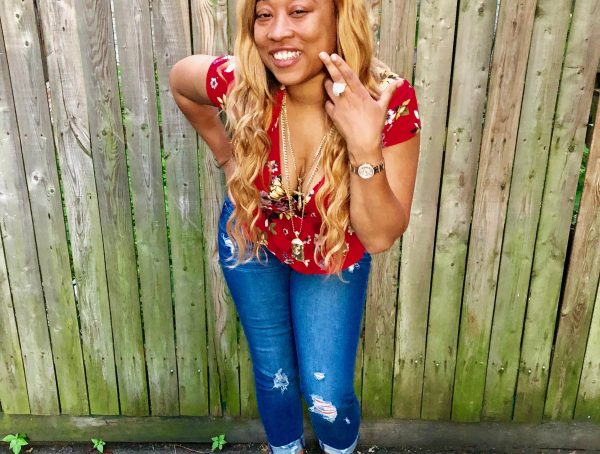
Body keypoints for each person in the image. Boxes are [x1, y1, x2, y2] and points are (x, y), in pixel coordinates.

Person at [169, 0, 421, 452]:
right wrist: (227, 158)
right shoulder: (247, 84)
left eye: (299, 11)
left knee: (328, 395)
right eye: (264, 15)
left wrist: (365, 147)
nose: (277, 31)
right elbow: (181, 80)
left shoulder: (385, 100)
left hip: (330, 251)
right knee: (274, 374)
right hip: (252, 235)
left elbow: (380, 236)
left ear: (339, 16)